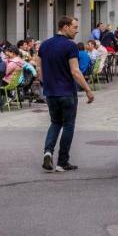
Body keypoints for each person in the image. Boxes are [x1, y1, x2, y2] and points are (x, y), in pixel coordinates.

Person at [38, 16, 94, 172]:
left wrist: (45, 84)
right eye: (74, 27)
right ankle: (62, 161)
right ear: (65, 27)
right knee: (68, 125)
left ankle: (48, 152)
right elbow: (75, 71)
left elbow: (39, 70)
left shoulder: (44, 45)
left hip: (51, 93)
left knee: (55, 122)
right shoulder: (70, 46)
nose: (76, 31)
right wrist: (88, 90)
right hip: (67, 92)